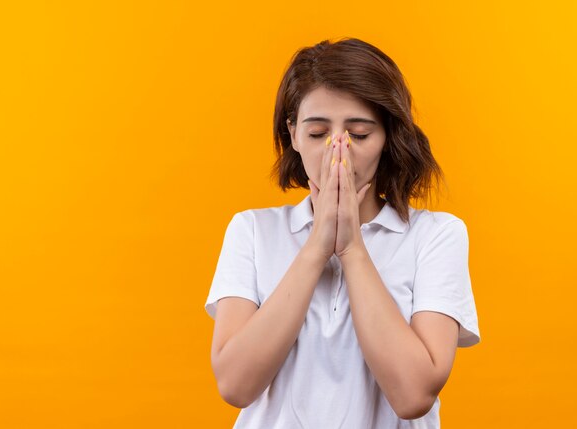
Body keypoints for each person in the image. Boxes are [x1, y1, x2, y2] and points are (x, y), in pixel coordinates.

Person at [204, 37, 480, 428]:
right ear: (294, 134)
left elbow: (413, 394)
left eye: (360, 134)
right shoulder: (252, 231)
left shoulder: (436, 236)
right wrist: (318, 245)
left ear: (387, 137)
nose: (339, 151)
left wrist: (351, 248)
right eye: (318, 133)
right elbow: (235, 384)